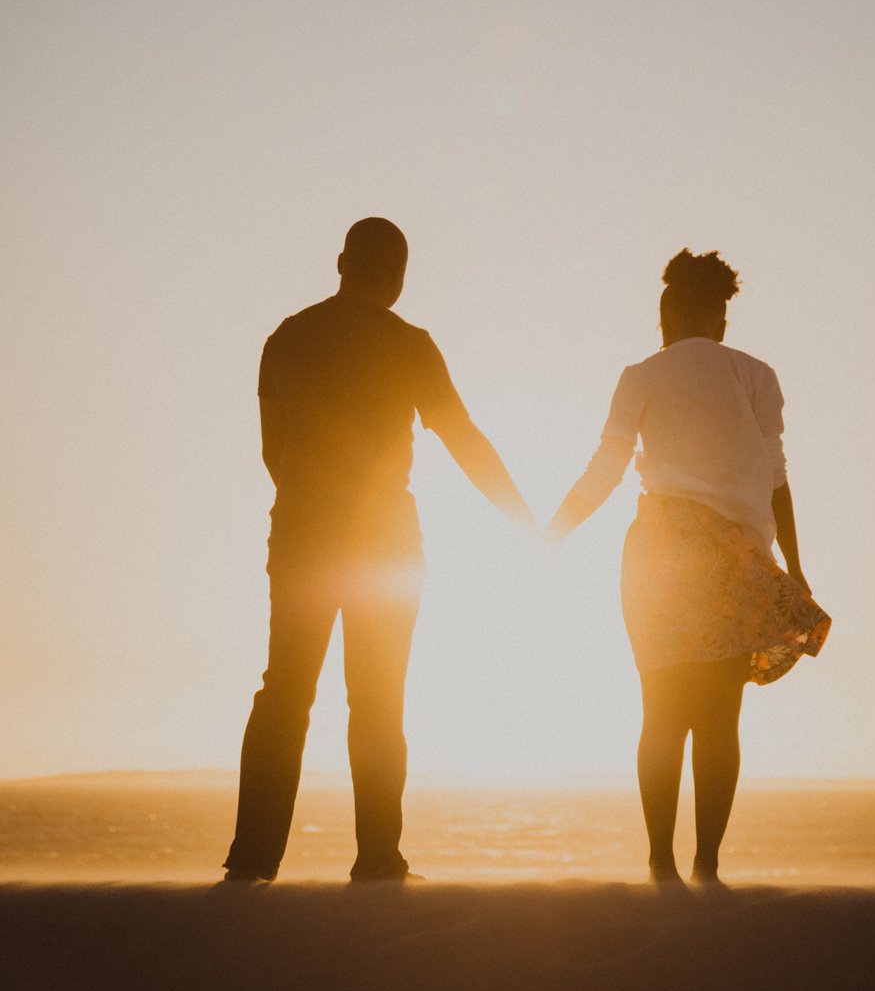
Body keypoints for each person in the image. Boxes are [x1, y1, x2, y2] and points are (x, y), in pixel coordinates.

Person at [224, 217, 533, 884]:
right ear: (397, 276)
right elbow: (463, 438)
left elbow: (270, 449)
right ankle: (377, 858)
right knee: (378, 698)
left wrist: (312, 502)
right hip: (386, 542)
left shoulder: (287, 337)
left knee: (285, 692)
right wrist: (523, 517)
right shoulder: (410, 344)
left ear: (341, 262)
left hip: (302, 534)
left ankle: (252, 859)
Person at [547, 249, 830, 887]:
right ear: (720, 318)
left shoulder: (641, 374)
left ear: (666, 314)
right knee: (719, 719)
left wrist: (552, 532)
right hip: (737, 558)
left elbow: (604, 470)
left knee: (661, 712)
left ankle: (659, 865)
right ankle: (707, 866)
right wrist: (795, 565)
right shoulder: (758, 374)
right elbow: (778, 479)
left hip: (661, 550)